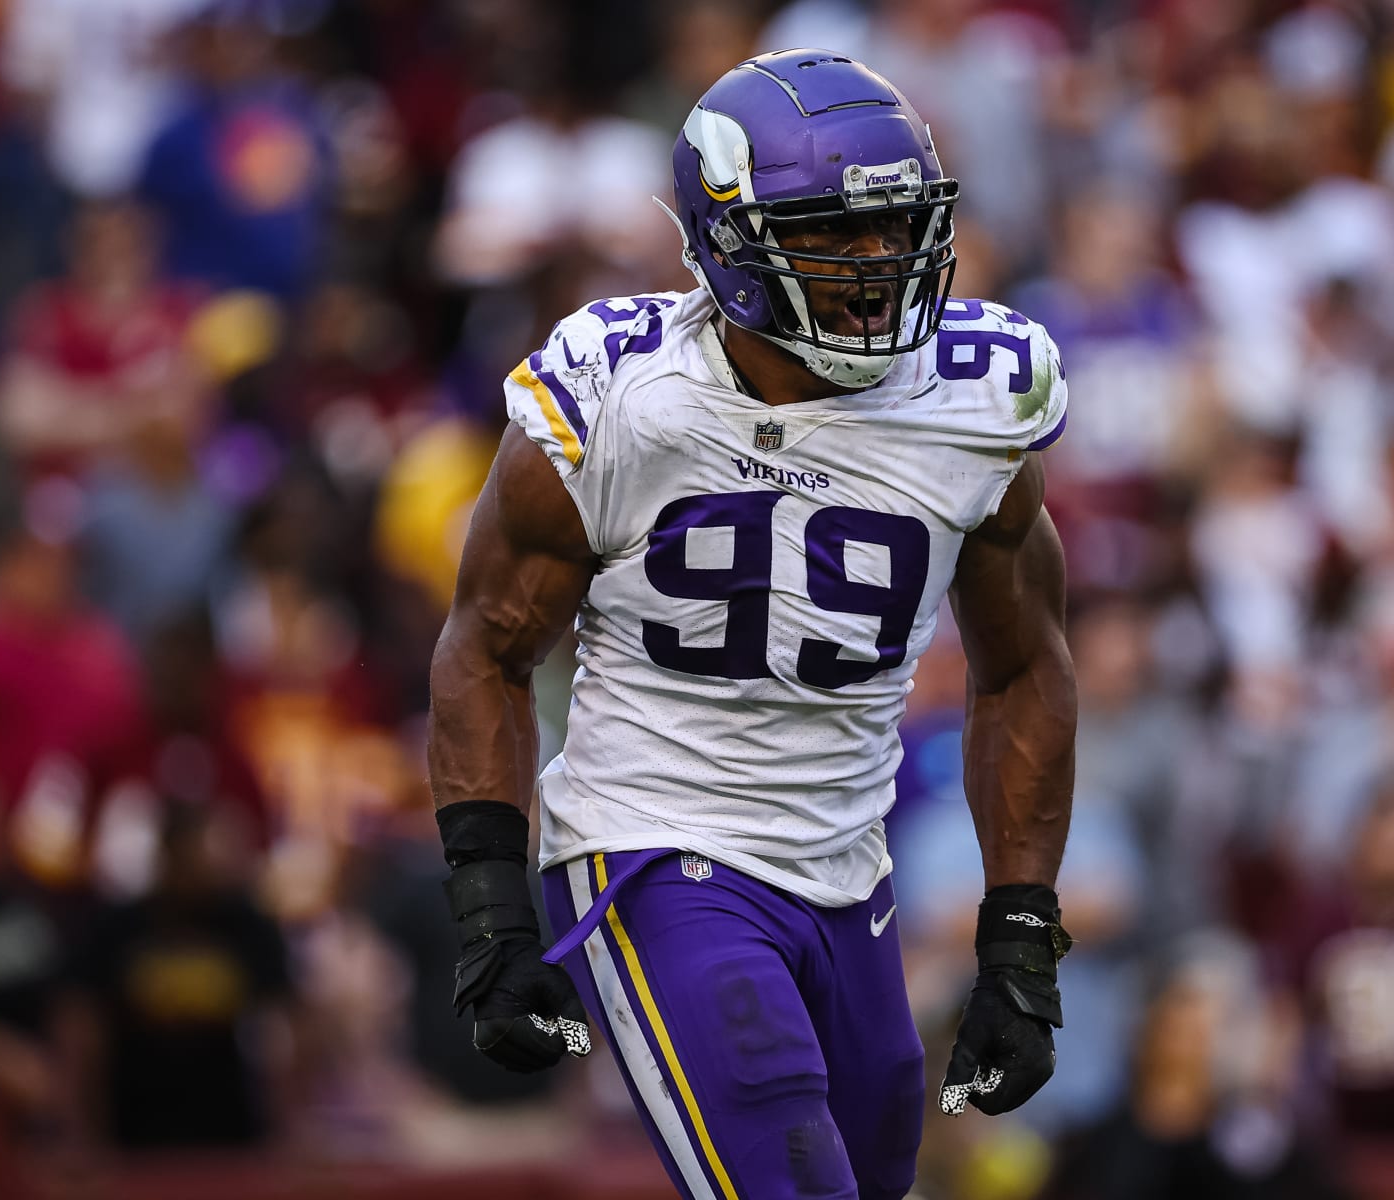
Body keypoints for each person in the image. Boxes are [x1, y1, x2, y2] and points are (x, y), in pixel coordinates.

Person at [426, 49, 1077, 1199]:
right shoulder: (621, 393)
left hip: (845, 864)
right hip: (655, 847)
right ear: (727, 241)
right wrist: (490, 907)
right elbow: (487, 641)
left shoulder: (977, 399)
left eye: (899, 227)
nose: (882, 262)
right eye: (841, 229)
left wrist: (1019, 932)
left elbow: (1023, 666)